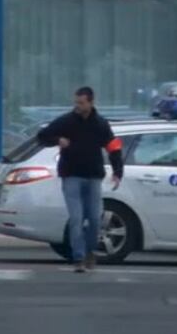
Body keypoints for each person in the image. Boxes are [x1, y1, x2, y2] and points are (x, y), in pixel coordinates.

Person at [37, 87, 124, 273]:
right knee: (76, 218)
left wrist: (118, 171)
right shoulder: (66, 121)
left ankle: (90, 251)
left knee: (94, 219)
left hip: (93, 176)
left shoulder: (100, 124)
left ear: (91, 103)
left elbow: (113, 147)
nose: (77, 106)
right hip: (71, 176)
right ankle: (78, 258)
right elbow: (42, 136)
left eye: (81, 103)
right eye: (76, 102)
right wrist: (58, 140)